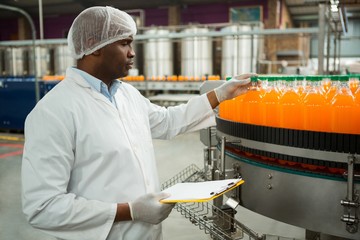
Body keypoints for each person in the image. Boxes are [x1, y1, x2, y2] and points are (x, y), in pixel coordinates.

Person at [21, 6, 256, 240]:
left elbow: (167, 121)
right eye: (124, 43)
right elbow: (42, 207)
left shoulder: (126, 94)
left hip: (147, 233)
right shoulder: (54, 112)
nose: (132, 53)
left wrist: (220, 94)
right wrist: (130, 211)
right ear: (94, 46)